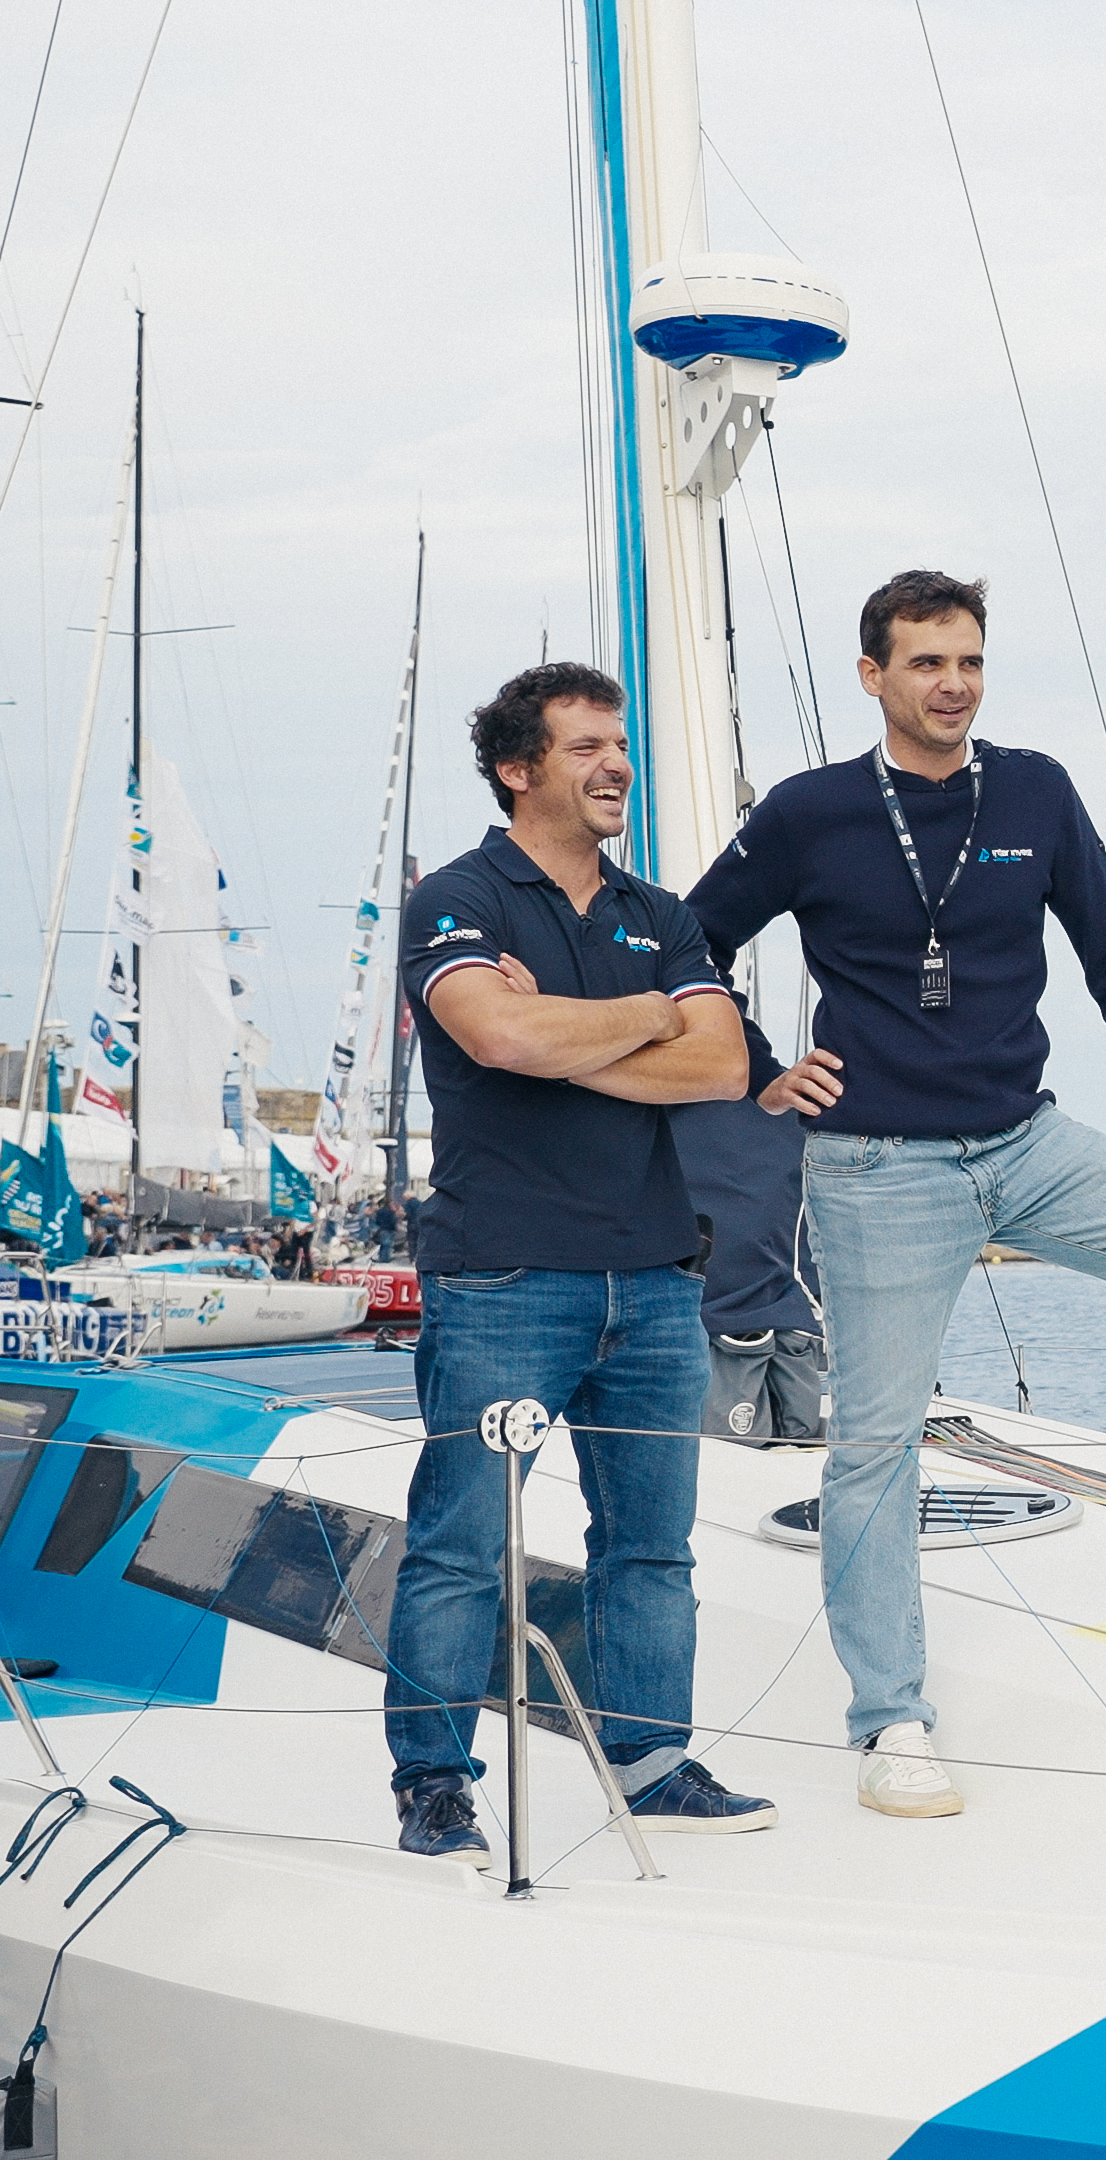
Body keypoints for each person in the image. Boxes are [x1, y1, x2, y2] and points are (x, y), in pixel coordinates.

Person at [689, 570, 1106, 1824]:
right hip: (879, 1167)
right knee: (876, 1444)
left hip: (1028, 1141)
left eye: (969, 661)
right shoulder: (809, 813)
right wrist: (756, 1068)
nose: (953, 684)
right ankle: (889, 1716)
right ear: (874, 675)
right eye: (926, 663)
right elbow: (691, 939)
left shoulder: (1035, 792)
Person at [382, 661, 774, 1864]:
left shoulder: (661, 914)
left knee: (651, 1549)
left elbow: (722, 1066)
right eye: (587, 746)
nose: (618, 765)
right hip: (505, 1277)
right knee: (461, 1547)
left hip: (655, 1278)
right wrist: (648, 1013)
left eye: (621, 743)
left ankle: (653, 1767)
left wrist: (568, 1031)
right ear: (518, 768)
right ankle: (434, 1785)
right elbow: (496, 1032)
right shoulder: (457, 899)